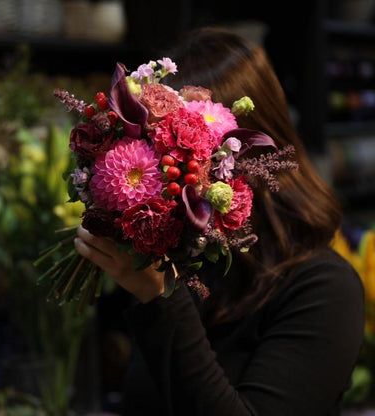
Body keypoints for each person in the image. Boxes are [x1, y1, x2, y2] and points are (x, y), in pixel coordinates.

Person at [74, 26, 365, 415]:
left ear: (238, 148)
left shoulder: (325, 288)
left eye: (173, 146)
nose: (161, 162)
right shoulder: (191, 254)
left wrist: (161, 296)